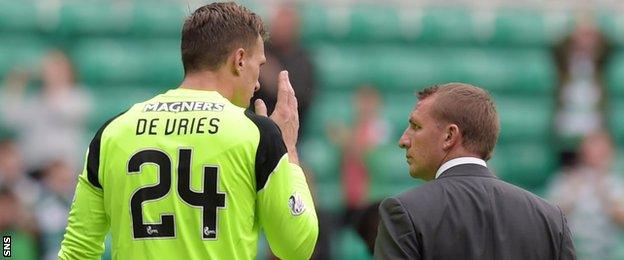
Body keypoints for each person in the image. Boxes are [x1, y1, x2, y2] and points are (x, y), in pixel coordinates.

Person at [58, 3, 318, 260]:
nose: (259, 82)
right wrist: (289, 150)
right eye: (258, 66)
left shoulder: (112, 132)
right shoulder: (256, 134)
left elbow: (77, 252)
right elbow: (296, 247)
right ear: (239, 60)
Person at [373, 83, 576, 260]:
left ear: (449, 135)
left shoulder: (404, 212)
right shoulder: (550, 219)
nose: (403, 141)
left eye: (416, 126)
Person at [1, 50, 92, 173]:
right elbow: (10, 119)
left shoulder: (78, 97)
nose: (51, 72)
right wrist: (17, 82)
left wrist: (54, 82)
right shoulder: (35, 99)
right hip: (34, 167)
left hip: (64, 170)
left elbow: (61, 111)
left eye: (57, 67)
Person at [548, 130, 624, 259]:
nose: (595, 154)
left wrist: (605, 195)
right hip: (572, 250)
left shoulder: (616, 182)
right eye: (591, 148)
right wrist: (571, 194)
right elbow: (549, 217)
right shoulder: (566, 179)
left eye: (601, 150)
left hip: (607, 251)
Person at [252, 4, 316, 136]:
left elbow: (301, 98)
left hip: (290, 131)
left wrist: (271, 75)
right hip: (254, 127)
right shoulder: (259, 51)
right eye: (279, 24)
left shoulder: (303, 60)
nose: (282, 29)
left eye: (286, 25)